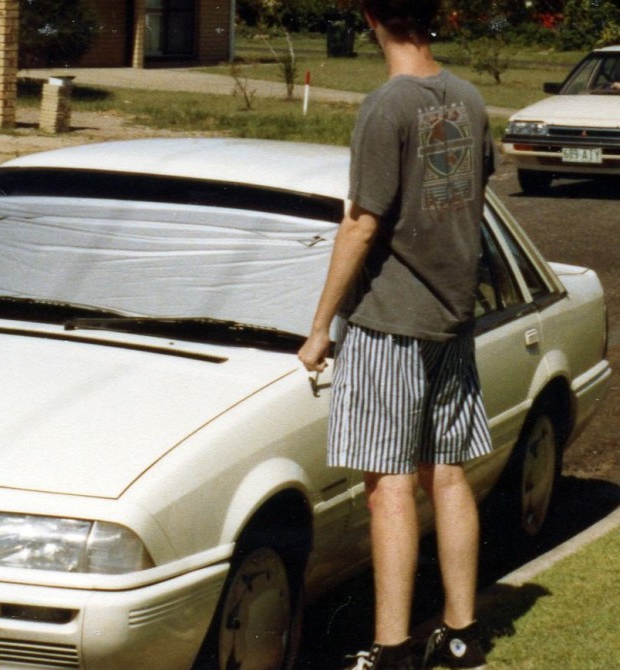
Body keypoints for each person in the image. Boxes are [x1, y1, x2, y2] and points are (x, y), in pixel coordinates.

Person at [296, 1, 495, 669]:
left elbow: (361, 223)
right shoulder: (466, 96)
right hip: (451, 320)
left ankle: (390, 647)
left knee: (389, 484)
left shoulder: (387, 106)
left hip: (390, 323)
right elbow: (471, 195)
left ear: (369, 15)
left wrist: (321, 327)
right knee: (447, 475)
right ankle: (462, 634)